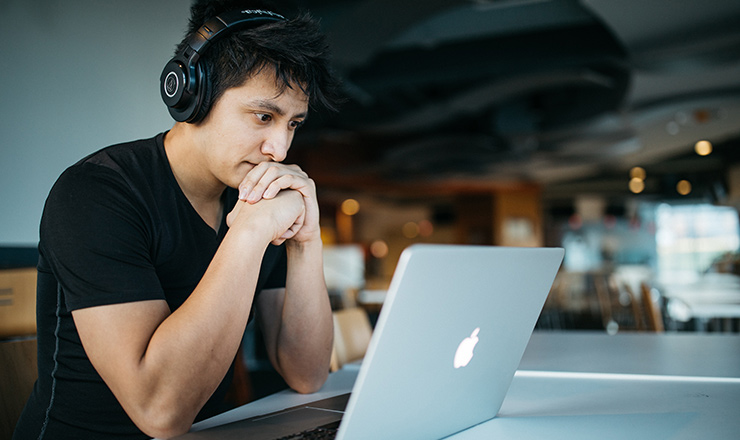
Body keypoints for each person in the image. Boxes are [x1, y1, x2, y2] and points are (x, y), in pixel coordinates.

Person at [13, 1, 342, 439]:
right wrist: (248, 233)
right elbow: (159, 412)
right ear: (193, 94)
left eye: (293, 124)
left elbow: (307, 373)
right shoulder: (96, 194)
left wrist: (306, 241)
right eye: (264, 116)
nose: (279, 150)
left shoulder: (256, 198)